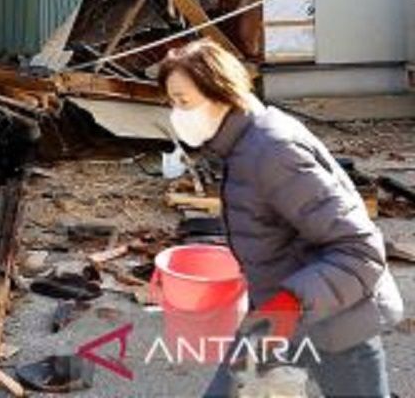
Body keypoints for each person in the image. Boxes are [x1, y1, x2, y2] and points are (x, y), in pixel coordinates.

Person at [157, 40, 403, 398]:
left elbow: (359, 249)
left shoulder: (271, 151)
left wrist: (289, 302)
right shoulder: (240, 144)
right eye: (171, 102)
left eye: (183, 101)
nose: (176, 114)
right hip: (278, 318)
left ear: (221, 92)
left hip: (336, 327)